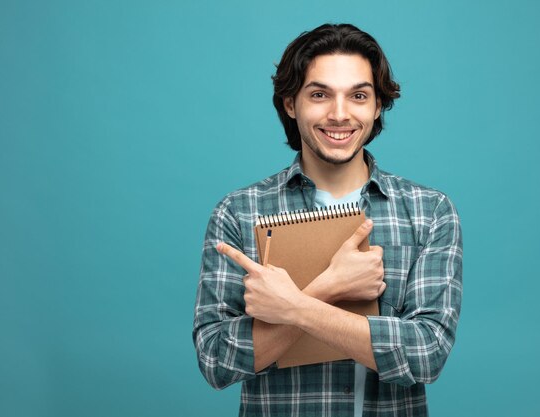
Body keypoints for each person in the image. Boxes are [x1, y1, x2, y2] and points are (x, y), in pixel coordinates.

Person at [193, 23, 462, 417]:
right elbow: (215, 362)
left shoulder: (430, 212)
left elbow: (427, 354)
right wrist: (329, 287)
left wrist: (295, 306)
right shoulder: (238, 212)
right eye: (319, 94)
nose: (340, 114)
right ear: (290, 103)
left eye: (358, 96)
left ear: (377, 106)